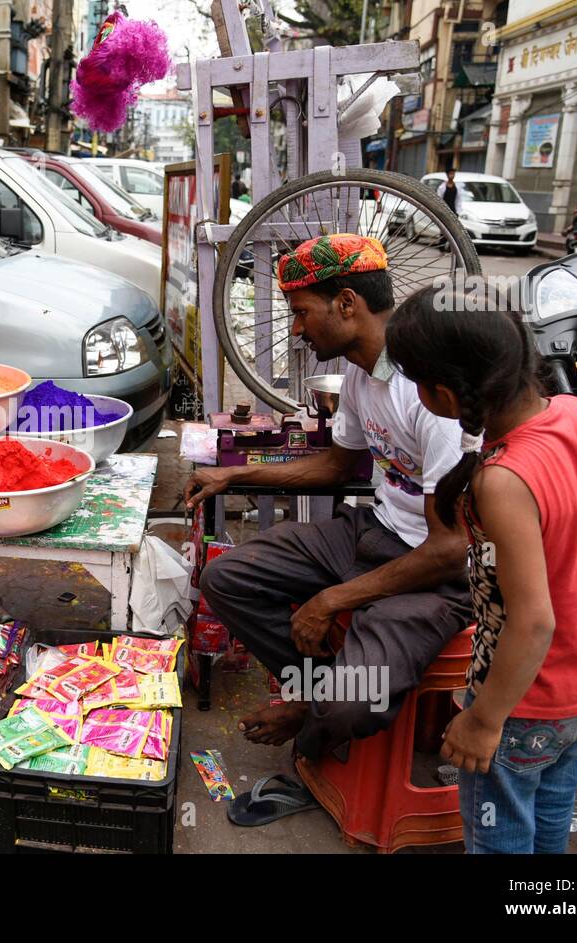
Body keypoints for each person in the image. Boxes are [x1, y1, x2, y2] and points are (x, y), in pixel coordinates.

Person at [185, 234, 473, 823]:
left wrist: (332, 599)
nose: (297, 329)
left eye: (301, 312)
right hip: (376, 531)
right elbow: (338, 466)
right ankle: (319, 693)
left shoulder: (430, 392)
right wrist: (234, 478)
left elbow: (450, 548)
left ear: (346, 304)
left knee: (351, 703)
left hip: (436, 574)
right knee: (230, 576)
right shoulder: (364, 375)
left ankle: (312, 731)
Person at [385, 285, 577, 854]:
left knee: (501, 837)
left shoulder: (502, 479)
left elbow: (531, 624)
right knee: (550, 817)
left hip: (521, 702)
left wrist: (483, 720)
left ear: (444, 393)